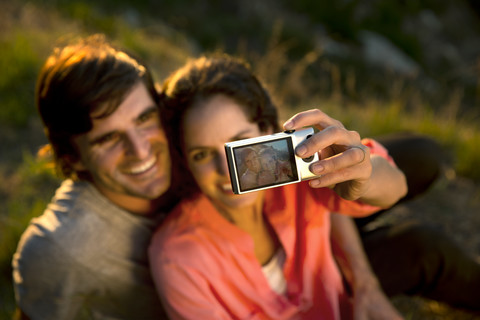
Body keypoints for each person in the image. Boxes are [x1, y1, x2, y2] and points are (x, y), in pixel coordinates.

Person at [148, 55, 408, 319]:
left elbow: (397, 186)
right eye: (201, 155)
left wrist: (363, 173)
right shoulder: (178, 257)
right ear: (186, 163)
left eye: (240, 145)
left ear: (267, 131)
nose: (227, 170)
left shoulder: (297, 173)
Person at [11, 34, 176, 319]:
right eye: (109, 138)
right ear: (72, 157)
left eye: (144, 119)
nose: (140, 150)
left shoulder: (196, 154)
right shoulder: (60, 249)